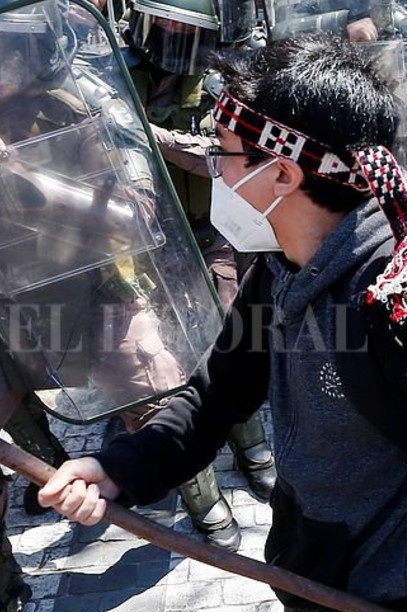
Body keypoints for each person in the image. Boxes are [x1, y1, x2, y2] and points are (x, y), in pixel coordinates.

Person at [40, 32, 407, 612]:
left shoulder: (406, 301)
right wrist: (117, 468)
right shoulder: (280, 268)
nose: (217, 170)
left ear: (283, 174)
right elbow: (218, 393)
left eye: (226, 156)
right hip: (312, 580)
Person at [0, 0, 226, 612]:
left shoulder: (84, 99)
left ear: (32, 45)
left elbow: (137, 214)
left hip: (97, 286)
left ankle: (203, 502)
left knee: (157, 392)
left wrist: (19, 171)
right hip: (1, 301)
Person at [123, 0, 279, 509]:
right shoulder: (111, 73)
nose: (171, 37)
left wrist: (159, 140)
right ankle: (194, 475)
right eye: (163, 25)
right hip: (145, 236)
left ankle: (254, 450)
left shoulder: (222, 76)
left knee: (224, 330)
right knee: (161, 353)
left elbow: (227, 154)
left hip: (214, 227)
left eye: (183, 30)